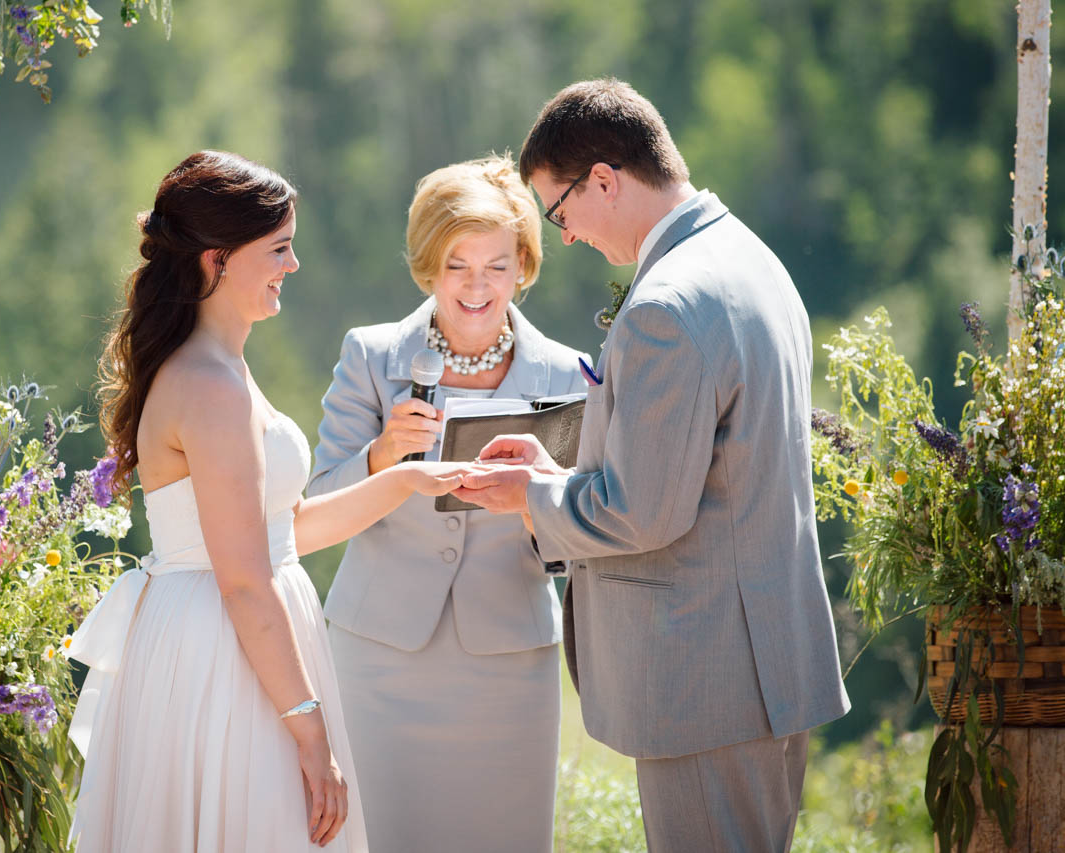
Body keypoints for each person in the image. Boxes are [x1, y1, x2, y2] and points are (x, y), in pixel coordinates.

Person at [456, 80, 851, 852]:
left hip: (705, 681)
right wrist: (560, 468)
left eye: (561, 210)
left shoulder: (665, 304)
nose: (564, 235)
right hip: (768, 661)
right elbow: (711, 470)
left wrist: (532, 495)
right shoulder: (750, 258)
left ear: (605, 178)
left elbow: (643, 511)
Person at [68, 150, 470, 852]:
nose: (293, 264)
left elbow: (280, 533)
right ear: (217, 260)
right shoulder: (211, 385)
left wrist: (405, 479)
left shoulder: (223, 367)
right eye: (279, 248)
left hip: (233, 640)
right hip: (226, 656)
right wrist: (311, 731)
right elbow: (247, 580)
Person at [307, 155, 588, 853]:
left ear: (523, 265)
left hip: (508, 666)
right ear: (428, 265)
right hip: (378, 662)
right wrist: (380, 455)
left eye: (496, 265)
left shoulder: (569, 372)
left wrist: (541, 494)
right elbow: (313, 508)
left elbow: (581, 534)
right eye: (458, 265)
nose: (476, 286)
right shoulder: (369, 357)